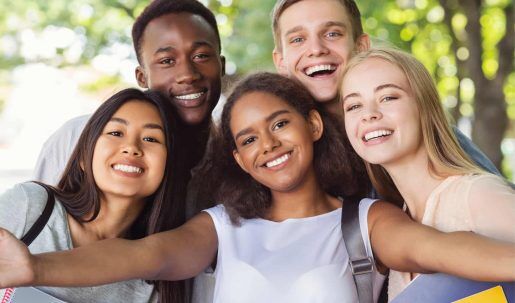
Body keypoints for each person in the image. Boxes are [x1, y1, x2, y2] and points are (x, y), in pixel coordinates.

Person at [0, 73, 513, 303]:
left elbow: (445, 252)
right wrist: (37, 268)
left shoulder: (364, 220)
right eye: (248, 138)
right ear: (240, 159)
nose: (268, 144)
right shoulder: (222, 228)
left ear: (313, 125)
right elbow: (142, 257)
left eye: (280, 124)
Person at [31, 0, 225, 301]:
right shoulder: (79, 138)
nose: (187, 73)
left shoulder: (238, 166)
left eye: (201, 56)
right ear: (141, 76)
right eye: (166, 60)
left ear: (222, 66)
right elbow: (37, 227)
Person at [339, 48, 515, 300]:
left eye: (388, 97)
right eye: (354, 105)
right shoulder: (397, 223)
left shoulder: (478, 196)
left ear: (424, 106)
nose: (369, 114)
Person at [270, 0, 501, 175]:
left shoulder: (417, 129)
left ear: (361, 47)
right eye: (298, 40)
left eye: (332, 34)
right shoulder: (282, 151)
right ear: (281, 62)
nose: (316, 49)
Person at [0, 88, 185, 302]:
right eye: (116, 133)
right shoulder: (31, 206)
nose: (131, 148)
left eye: (151, 138)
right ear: (84, 156)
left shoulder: (155, 278)